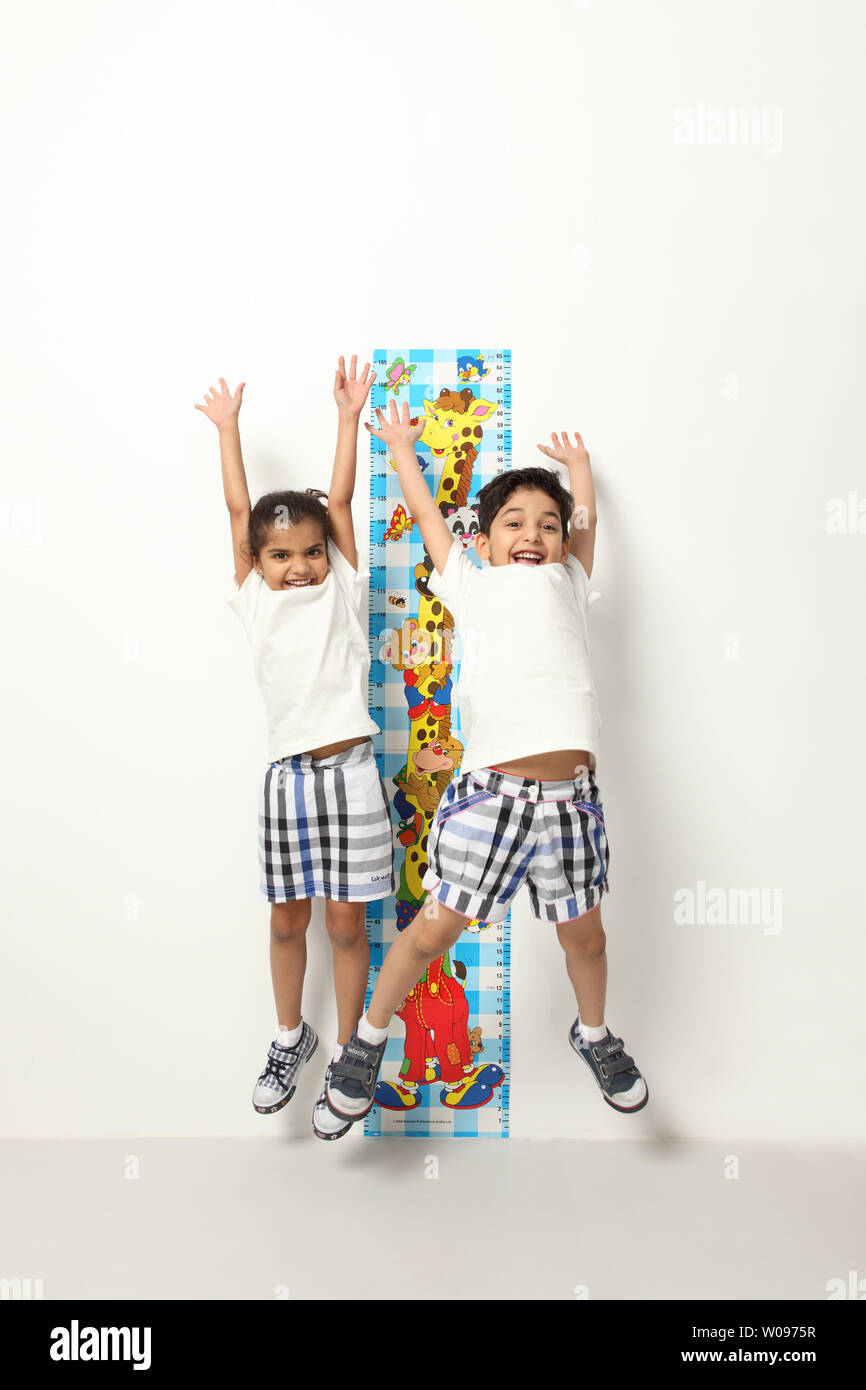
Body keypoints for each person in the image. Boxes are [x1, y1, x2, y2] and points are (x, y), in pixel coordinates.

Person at [325, 397, 648, 1125]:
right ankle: (367, 1042)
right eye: (516, 523)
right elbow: (433, 523)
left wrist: (581, 471)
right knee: (434, 929)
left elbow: (585, 527)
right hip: (491, 799)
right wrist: (403, 450)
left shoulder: (568, 579)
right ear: (487, 538)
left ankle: (592, 1032)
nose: (534, 534)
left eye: (548, 524)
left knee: (586, 937)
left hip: (572, 803)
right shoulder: (471, 581)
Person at [194, 358, 395, 1140]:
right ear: (258, 561)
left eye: (310, 551)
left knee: (348, 925)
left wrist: (348, 420)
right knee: (288, 920)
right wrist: (228, 430)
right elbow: (238, 505)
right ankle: (291, 1039)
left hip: (351, 778)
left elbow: (338, 500)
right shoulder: (252, 597)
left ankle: (349, 1054)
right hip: (288, 782)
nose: (299, 565)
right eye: (280, 555)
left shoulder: (342, 585)